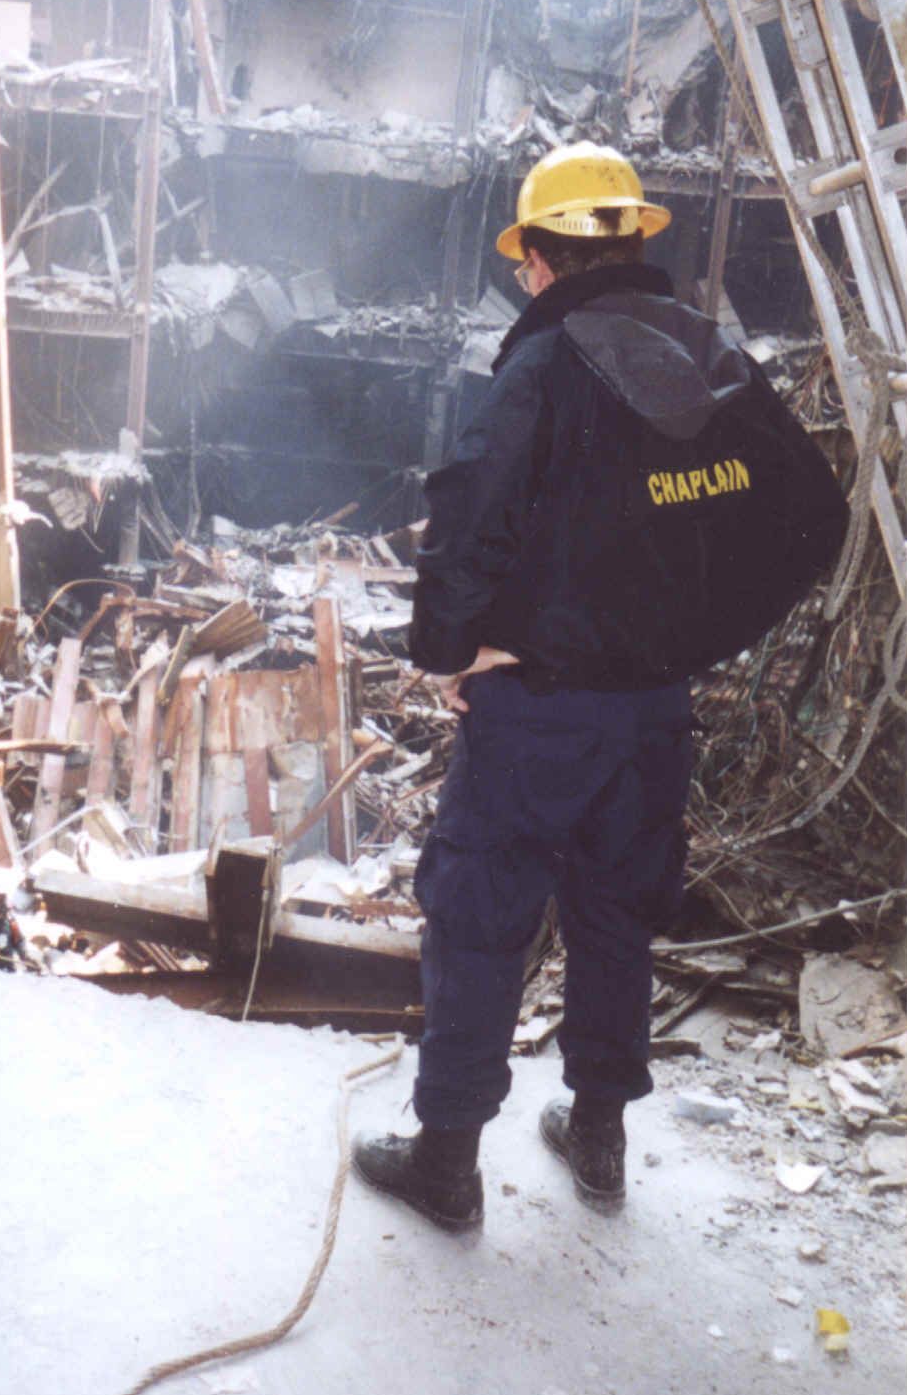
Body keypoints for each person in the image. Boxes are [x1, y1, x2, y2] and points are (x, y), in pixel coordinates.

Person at [351, 143, 849, 1230]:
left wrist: (451, 649)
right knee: (617, 916)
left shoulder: (541, 369)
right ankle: (600, 1138)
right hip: (652, 713)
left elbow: (470, 523)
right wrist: (696, 637)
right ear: (630, 246)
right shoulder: (711, 355)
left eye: (525, 260)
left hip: (538, 711)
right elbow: (814, 515)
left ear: (536, 258)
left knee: (481, 918)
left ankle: (445, 1160)